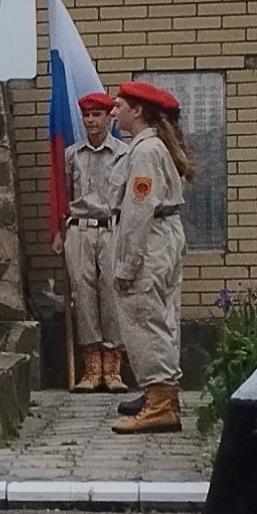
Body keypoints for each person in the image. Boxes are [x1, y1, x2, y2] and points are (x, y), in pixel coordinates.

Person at [109, 80, 194, 432]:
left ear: (137, 111)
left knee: (145, 317)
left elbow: (138, 211)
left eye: (119, 106)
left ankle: (160, 404)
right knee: (160, 316)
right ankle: (160, 395)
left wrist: (127, 265)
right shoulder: (150, 147)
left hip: (150, 241)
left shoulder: (145, 152)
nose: (114, 112)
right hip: (163, 236)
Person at [58, 89, 126, 392]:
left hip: (112, 228)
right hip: (80, 229)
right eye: (86, 115)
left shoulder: (123, 154)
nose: (91, 121)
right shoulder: (72, 154)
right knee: (82, 294)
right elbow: (62, 196)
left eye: (97, 115)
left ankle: (113, 365)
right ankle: (91, 366)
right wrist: (59, 232)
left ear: (108, 118)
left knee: (111, 293)